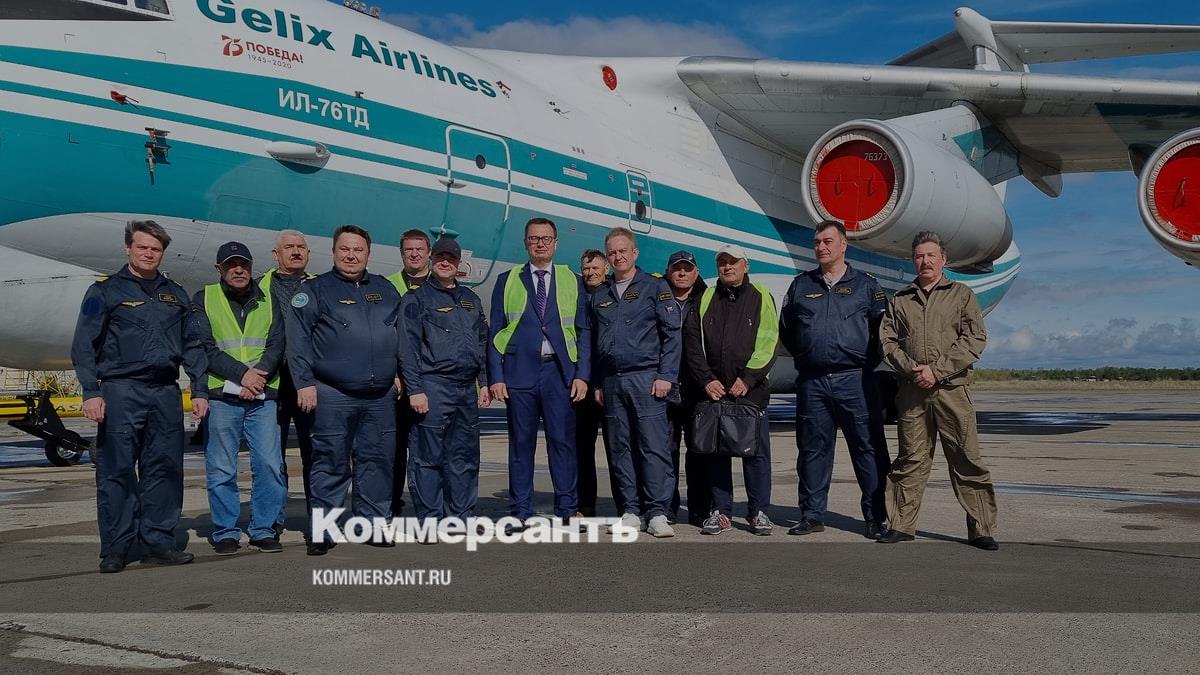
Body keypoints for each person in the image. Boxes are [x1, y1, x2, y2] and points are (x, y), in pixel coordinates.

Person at [71, 220, 207, 573]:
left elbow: (192, 345)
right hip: (121, 390)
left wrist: (199, 388)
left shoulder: (175, 294)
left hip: (165, 391)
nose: (149, 254)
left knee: (164, 469)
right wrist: (91, 391)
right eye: (143, 247)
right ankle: (116, 548)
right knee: (116, 470)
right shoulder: (103, 292)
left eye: (155, 249)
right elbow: (84, 344)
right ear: (128, 248)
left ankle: (158, 543)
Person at [286, 225, 405, 556]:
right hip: (332, 393)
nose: (351, 256)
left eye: (358, 250)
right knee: (330, 463)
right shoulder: (315, 290)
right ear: (334, 252)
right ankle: (323, 530)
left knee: (377, 462)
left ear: (368, 253)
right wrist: (304, 383)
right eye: (345, 249)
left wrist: (398, 373)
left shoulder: (385, 289)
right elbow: (298, 341)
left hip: (379, 396)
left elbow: (401, 335)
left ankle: (374, 525)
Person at [877, 231, 999, 551]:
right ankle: (901, 525)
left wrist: (938, 370)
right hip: (912, 392)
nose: (925, 261)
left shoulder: (961, 295)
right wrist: (912, 369)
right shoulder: (901, 300)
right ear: (913, 261)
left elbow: (974, 339)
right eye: (919, 256)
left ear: (943, 259)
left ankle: (981, 529)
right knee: (910, 459)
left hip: (952, 390)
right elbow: (887, 342)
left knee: (966, 458)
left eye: (931, 255)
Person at [779, 221, 891, 539]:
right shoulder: (801, 286)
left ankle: (876, 517)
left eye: (828, 241)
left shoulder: (866, 286)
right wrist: (808, 356)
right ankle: (812, 515)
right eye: (817, 242)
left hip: (855, 380)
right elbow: (788, 330)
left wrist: (862, 364)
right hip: (813, 382)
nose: (821, 247)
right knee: (812, 450)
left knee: (868, 449)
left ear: (844, 245)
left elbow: (882, 332)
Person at [488, 217, 591, 524]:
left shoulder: (572, 279)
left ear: (556, 243)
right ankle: (520, 511)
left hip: (559, 373)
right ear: (525, 243)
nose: (540, 243)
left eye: (546, 238)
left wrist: (582, 375)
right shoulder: (507, 280)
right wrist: (496, 377)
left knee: (562, 443)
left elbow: (583, 331)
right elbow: (495, 330)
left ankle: (567, 510)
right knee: (521, 446)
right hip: (520, 372)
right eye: (534, 238)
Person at [191, 242, 287, 555]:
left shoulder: (269, 299)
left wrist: (257, 377)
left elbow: (277, 344)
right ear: (219, 269)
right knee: (222, 468)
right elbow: (204, 347)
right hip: (223, 396)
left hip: (262, 395)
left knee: (270, 465)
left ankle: (263, 529)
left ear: (251, 266)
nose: (238, 270)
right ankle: (226, 531)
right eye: (231, 265)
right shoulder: (204, 298)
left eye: (243, 264)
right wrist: (243, 375)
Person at [683, 245, 778, 536]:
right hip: (715, 391)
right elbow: (692, 342)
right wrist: (706, 380)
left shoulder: (761, 295)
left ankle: (758, 511)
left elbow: (769, 341)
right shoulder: (706, 297)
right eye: (722, 262)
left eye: (733, 262)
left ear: (745, 266)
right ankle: (721, 512)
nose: (727, 267)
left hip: (750, 392)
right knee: (717, 454)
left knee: (755, 454)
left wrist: (748, 379)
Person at [592, 227, 681, 538]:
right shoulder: (601, 294)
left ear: (634, 253)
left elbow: (672, 334)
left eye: (622, 251)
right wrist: (597, 382)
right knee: (620, 448)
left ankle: (657, 512)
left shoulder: (654, 287)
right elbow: (594, 342)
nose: (618, 257)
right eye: (612, 252)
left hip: (646, 378)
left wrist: (666, 375)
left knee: (653, 447)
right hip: (612, 381)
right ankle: (631, 510)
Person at [399, 237, 490, 528]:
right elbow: (408, 348)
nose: (445, 262)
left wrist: (484, 381)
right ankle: (429, 519)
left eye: (451, 258)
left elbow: (482, 342)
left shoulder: (470, 299)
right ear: (432, 259)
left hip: (465, 389)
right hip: (433, 385)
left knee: (464, 455)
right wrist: (415, 389)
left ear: (459, 262)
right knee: (427, 456)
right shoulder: (416, 299)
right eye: (440, 257)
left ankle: (460, 516)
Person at [260, 229, 315, 540]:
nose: (296, 252)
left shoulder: (319, 286)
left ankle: (319, 522)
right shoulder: (259, 288)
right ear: (275, 254)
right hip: (272, 384)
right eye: (289, 247)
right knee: (271, 459)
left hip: (309, 384)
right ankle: (272, 523)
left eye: (301, 247)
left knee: (316, 457)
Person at [386, 228, 432, 518]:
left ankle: (429, 507)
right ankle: (392, 503)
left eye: (419, 250)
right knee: (393, 448)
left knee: (427, 449)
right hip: (397, 382)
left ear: (428, 253)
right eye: (408, 250)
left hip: (430, 381)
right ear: (402, 253)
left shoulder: (440, 285)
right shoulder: (388, 286)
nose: (414, 254)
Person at [663, 250, 709, 525]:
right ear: (669, 271)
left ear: (696, 272)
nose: (682, 273)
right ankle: (668, 507)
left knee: (699, 451)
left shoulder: (707, 299)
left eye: (687, 268)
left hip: (696, 387)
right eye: (677, 268)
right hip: (666, 387)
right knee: (666, 451)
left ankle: (699, 510)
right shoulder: (657, 298)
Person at [574, 248, 612, 517]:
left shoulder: (614, 294)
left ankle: (626, 505)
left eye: (595, 268)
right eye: (586, 269)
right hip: (584, 384)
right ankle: (585, 505)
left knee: (617, 448)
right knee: (582, 449)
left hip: (609, 381)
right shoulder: (575, 295)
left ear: (606, 269)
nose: (590, 273)